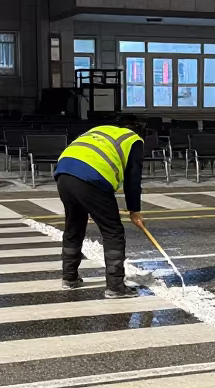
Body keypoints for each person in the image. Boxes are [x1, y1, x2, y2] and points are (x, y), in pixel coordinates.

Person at [54, 116, 146, 298]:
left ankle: (69, 277)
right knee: (113, 231)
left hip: (64, 173)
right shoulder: (133, 139)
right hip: (91, 176)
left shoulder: (100, 130)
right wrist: (134, 210)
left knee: (74, 226)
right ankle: (115, 286)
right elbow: (133, 179)